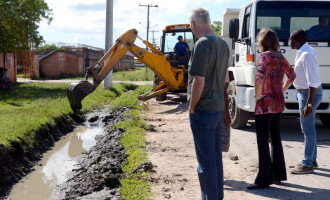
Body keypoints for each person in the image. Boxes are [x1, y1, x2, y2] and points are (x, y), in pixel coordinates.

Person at [187, 8, 229, 200]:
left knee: (205, 164)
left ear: (193, 24)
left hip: (203, 110)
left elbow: (199, 81)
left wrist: (192, 107)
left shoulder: (202, 44)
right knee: (215, 159)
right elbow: (226, 81)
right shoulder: (222, 43)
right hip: (217, 109)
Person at [246, 28, 296, 190]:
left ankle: (263, 180)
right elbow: (292, 75)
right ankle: (278, 175)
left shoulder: (264, 57)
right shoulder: (280, 57)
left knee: (262, 142)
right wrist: (282, 89)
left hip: (265, 104)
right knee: (276, 139)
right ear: (275, 41)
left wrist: (257, 95)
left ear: (261, 41)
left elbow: (259, 77)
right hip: (278, 103)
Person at [289, 29, 323, 174]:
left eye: (291, 40)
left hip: (309, 94)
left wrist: (308, 104)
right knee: (309, 129)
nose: (289, 42)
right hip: (305, 93)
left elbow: (313, 82)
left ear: (296, 41)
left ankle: (307, 163)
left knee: (307, 130)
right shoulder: (303, 52)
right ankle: (312, 160)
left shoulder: (307, 55)